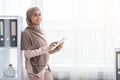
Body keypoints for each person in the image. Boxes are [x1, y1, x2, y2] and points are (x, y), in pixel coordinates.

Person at [21, 7, 64, 80]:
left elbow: (45, 51)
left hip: (46, 67)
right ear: (29, 18)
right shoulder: (26, 33)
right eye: (35, 15)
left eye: (40, 14)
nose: (39, 17)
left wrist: (57, 48)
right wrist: (47, 47)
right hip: (35, 70)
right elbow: (28, 54)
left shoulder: (41, 31)